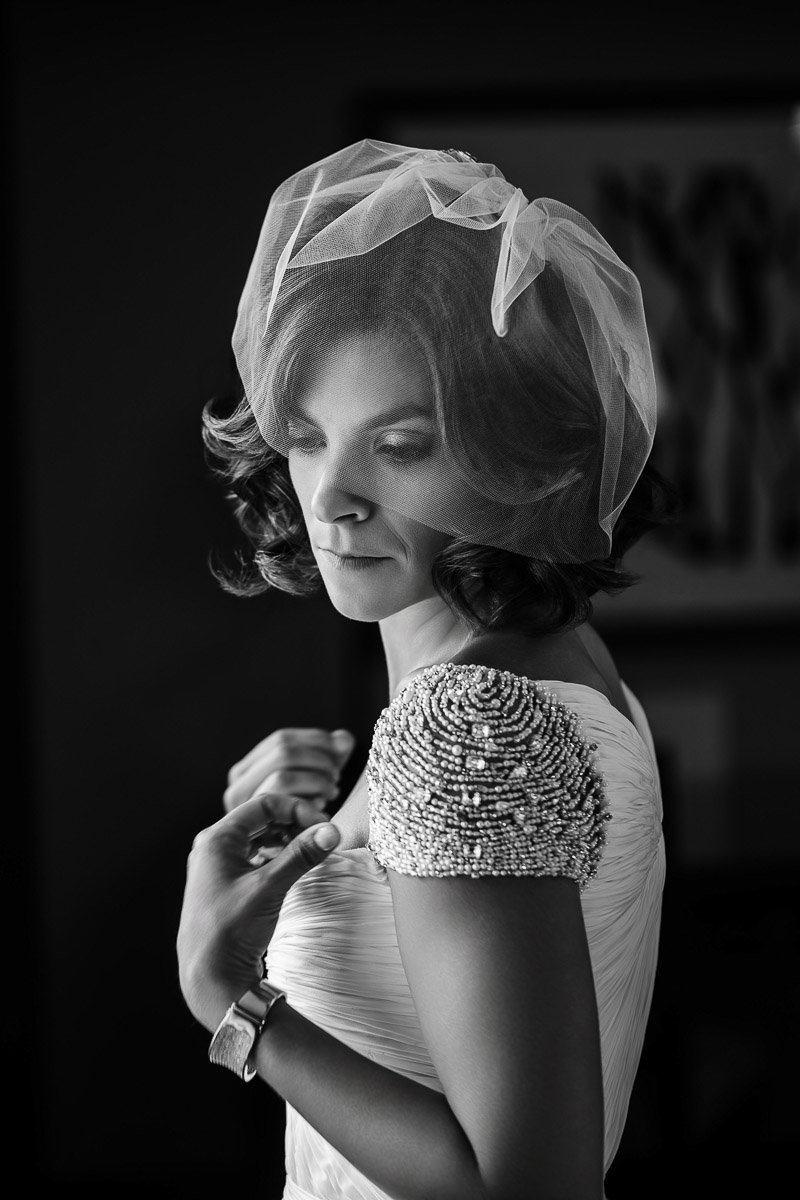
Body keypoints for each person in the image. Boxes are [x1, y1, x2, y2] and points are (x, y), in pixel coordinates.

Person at [177, 141, 677, 1200]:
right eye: (308, 439)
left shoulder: (466, 723)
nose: (330, 500)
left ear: (513, 460)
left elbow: (528, 1188)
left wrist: (231, 1001)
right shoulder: (554, 669)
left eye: (398, 446)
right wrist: (325, 831)